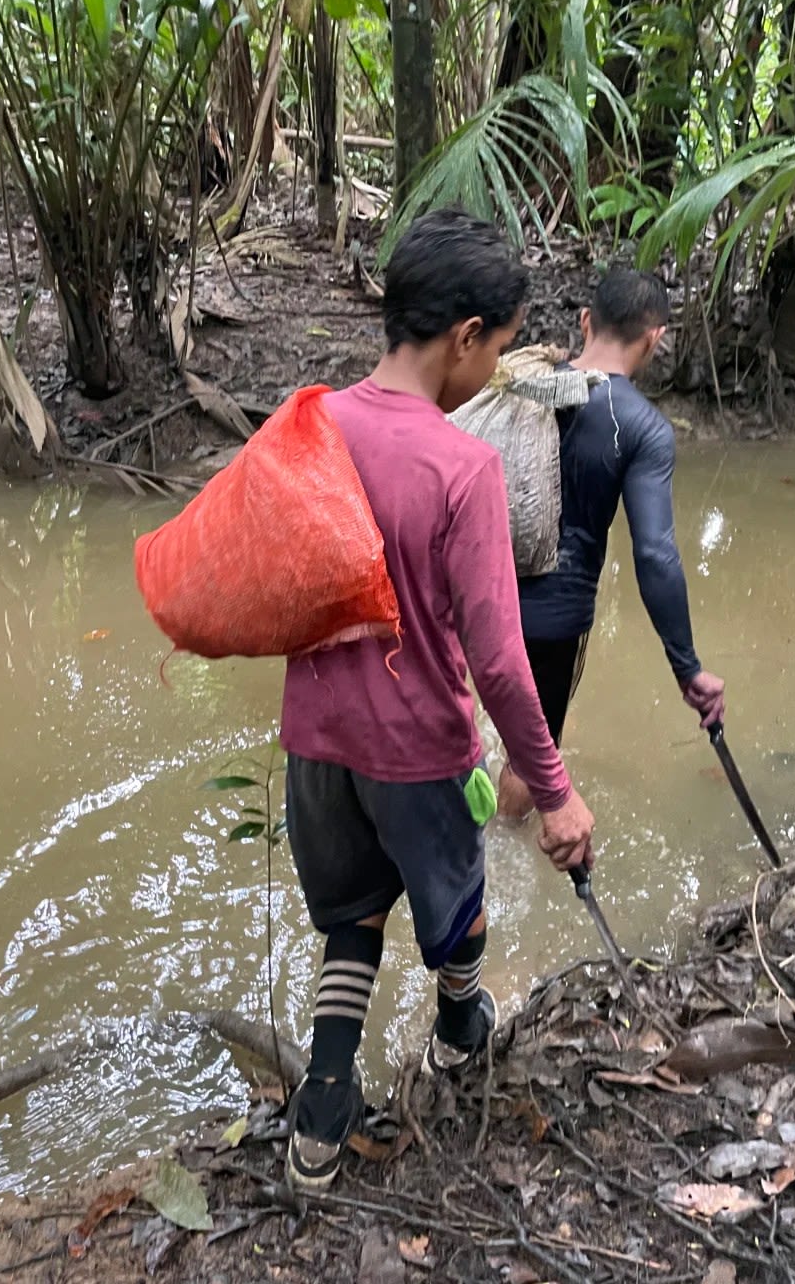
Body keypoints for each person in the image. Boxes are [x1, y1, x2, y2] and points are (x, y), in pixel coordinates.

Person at [279, 208, 596, 1190]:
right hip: (421, 755)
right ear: (466, 337)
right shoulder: (465, 468)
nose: (493, 370)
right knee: (455, 909)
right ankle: (462, 1027)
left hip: (316, 745)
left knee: (353, 916)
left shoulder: (313, 424)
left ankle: (322, 1111)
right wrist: (554, 791)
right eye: (497, 350)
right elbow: (500, 663)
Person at [498, 268, 726, 819]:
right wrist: (687, 666)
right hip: (552, 618)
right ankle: (503, 840)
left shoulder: (520, 383)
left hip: (476, 595)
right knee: (534, 755)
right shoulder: (644, 427)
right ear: (655, 338)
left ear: (584, 322)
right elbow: (654, 553)